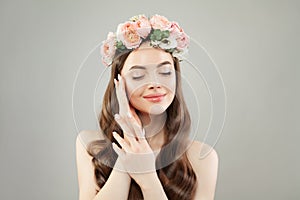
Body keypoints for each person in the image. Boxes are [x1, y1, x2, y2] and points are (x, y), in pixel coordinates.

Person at [76, 14, 219, 200]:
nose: (155, 83)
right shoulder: (89, 144)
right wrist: (130, 142)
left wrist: (148, 177)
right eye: (138, 75)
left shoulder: (202, 157)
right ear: (119, 83)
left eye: (165, 72)